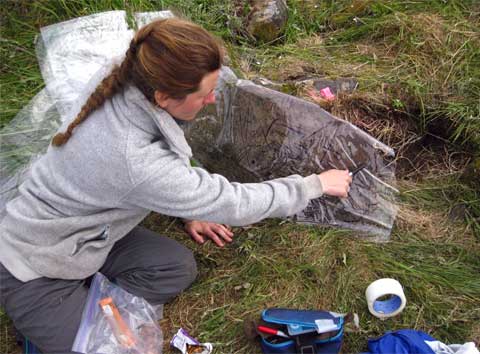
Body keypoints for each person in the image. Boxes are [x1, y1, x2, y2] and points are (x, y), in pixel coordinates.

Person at [0, 18, 352, 353]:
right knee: (115, 350)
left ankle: (85, 302)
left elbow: (167, 164)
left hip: (88, 234)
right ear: (164, 98)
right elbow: (232, 202)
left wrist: (187, 207)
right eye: (205, 94)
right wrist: (312, 185)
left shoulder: (128, 73)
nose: (212, 100)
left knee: (175, 267)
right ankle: (50, 323)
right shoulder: (132, 158)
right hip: (34, 268)